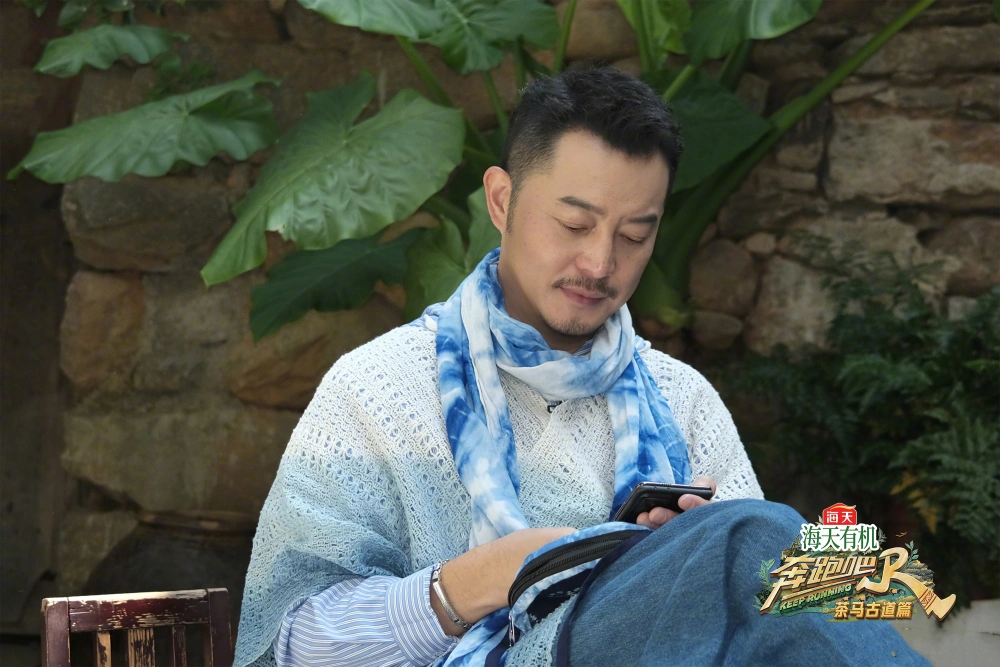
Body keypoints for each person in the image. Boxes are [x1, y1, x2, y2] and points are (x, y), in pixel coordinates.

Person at [234, 66, 930, 667]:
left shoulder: (683, 397)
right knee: (754, 537)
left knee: (771, 556)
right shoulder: (378, 389)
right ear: (501, 201)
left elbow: (775, 624)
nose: (600, 264)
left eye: (635, 235)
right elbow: (289, 645)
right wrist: (471, 584)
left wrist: (672, 565)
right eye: (574, 225)